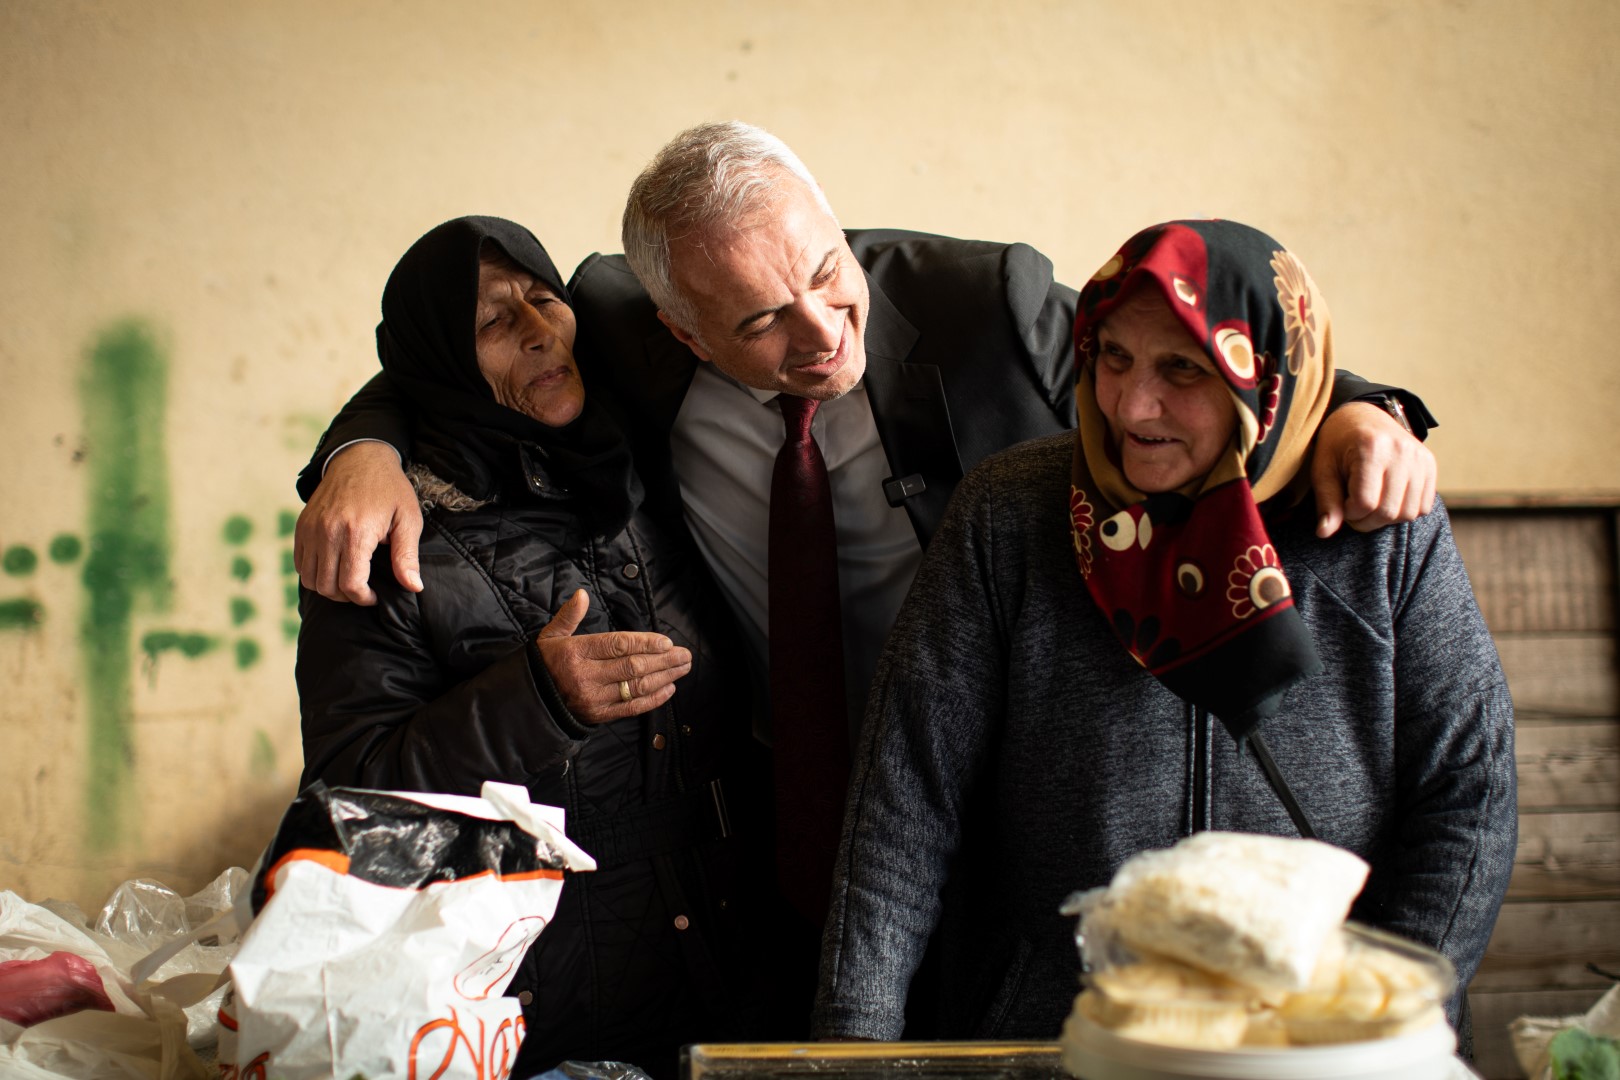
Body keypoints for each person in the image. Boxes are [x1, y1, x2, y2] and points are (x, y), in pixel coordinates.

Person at [292, 122, 1440, 1025]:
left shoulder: (983, 301)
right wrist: (361, 451)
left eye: (827, 273)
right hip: (775, 825)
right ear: (684, 332)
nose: (822, 333)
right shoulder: (613, 322)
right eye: (759, 321)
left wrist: (1361, 408)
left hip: (1001, 801)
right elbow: (462, 344)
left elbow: (1206, 355)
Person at [811, 220, 1515, 1058]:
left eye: (1183, 368)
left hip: (1321, 1044)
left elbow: (1468, 791)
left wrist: (1387, 1023)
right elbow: (905, 801)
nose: (1133, 407)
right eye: (1113, 357)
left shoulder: (1378, 528)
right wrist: (851, 1046)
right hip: (1066, 1041)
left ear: (1265, 381)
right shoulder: (1008, 516)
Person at [296, 216, 763, 1078]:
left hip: (741, 978)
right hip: (543, 1013)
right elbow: (345, 806)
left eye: (543, 298)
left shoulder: (649, 457)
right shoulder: (393, 541)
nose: (540, 330)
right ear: (441, 362)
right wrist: (531, 706)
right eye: (492, 323)